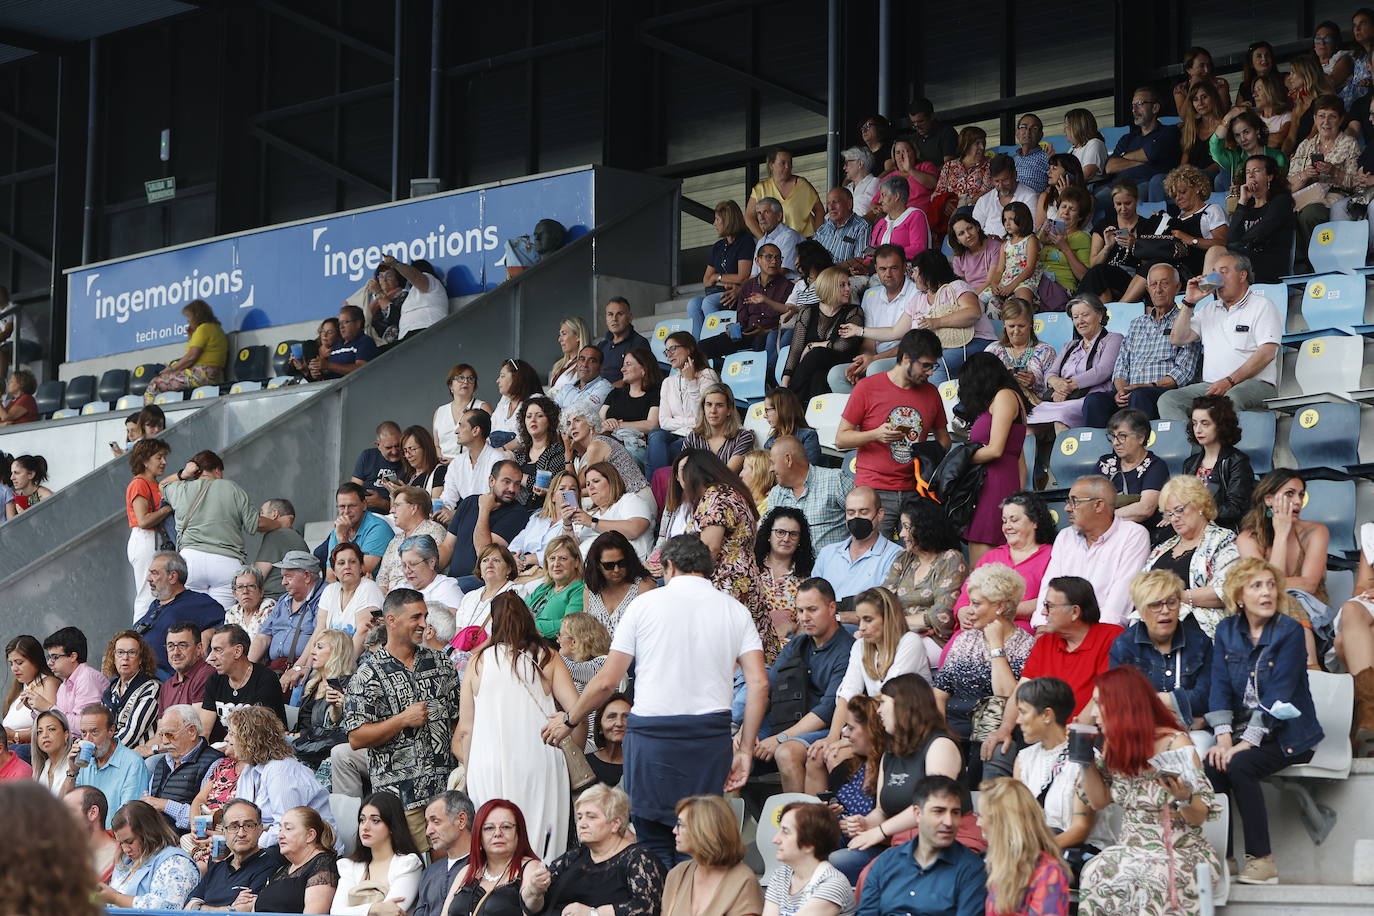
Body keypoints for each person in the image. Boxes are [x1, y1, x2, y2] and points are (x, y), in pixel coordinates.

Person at [540, 534, 769, 868]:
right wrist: (746, 749)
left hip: (652, 737)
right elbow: (759, 683)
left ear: (669, 566)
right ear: (709, 568)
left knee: (652, 843)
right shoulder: (734, 610)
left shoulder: (644, 605)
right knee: (696, 843)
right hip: (708, 736)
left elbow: (606, 681)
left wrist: (570, 719)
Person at [1078, 666, 1221, 911]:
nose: (1093, 713)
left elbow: (1199, 817)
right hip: (1130, 848)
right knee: (1095, 871)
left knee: (1149, 877)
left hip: (1179, 850)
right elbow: (1098, 802)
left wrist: (1184, 797)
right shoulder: (1115, 743)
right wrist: (1084, 761)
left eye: (1099, 704)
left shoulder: (1175, 743)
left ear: (1122, 705)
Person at [344, 589, 458, 852]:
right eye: (415, 617)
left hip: (446, 792)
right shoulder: (367, 674)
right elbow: (356, 738)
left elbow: (458, 720)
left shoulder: (441, 663)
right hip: (402, 798)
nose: (423, 623)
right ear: (391, 620)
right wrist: (402, 720)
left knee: (449, 871)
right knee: (414, 874)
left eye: (425, 616)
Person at [810, 587, 932, 797]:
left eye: (868, 619)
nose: (862, 627)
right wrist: (833, 735)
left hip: (905, 730)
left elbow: (888, 696)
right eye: (859, 620)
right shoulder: (860, 646)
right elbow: (847, 693)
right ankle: (814, 823)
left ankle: (852, 816)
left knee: (836, 756)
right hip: (874, 727)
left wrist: (851, 737)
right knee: (818, 755)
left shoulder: (909, 642)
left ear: (889, 618)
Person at [835, 329, 950, 532]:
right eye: (925, 365)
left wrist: (927, 454)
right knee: (873, 556)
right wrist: (876, 434)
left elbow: (944, 440)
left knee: (916, 556)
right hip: (874, 489)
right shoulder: (867, 387)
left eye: (934, 366)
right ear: (906, 358)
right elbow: (841, 439)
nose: (931, 372)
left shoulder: (932, 392)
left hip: (915, 490)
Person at [750, 578, 854, 793]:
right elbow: (768, 687)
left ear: (831, 607)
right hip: (787, 719)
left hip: (824, 728)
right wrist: (745, 730)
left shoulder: (846, 650)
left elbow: (827, 711)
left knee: (785, 752)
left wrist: (780, 738)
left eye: (812, 610)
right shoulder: (799, 643)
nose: (804, 618)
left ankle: (797, 822)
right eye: (800, 611)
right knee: (731, 746)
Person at [934, 564, 1034, 782]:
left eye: (976, 604)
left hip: (995, 727)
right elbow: (939, 692)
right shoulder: (964, 639)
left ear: (999, 606)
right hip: (954, 723)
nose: (969, 610)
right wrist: (939, 733)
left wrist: (996, 647)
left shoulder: (1025, 645)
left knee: (991, 717)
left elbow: (1007, 696)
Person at [841, 249, 997, 387]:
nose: (912, 275)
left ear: (928, 272)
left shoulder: (956, 286)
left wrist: (936, 322)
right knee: (916, 366)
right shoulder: (919, 299)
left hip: (975, 341)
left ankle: (943, 411)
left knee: (935, 366)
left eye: (915, 271)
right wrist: (860, 331)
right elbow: (895, 332)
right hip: (945, 348)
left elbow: (973, 312)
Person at [1159, 251, 1282, 422]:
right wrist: (1189, 302)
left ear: (1242, 275)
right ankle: (1194, 448)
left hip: (1255, 384)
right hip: (1211, 385)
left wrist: (1229, 381)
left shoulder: (1262, 305)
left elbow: (1267, 353)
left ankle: (1227, 448)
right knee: (1169, 400)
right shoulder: (1209, 309)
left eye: (1223, 272)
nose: (1217, 278)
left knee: (1231, 399)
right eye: (1214, 273)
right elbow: (1177, 339)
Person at [1011, 677, 1114, 868]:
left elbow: (1080, 829)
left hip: (1077, 850)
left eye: (1023, 712)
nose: (1017, 721)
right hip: (1036, 850)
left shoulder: (1084, 758)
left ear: (1047, 715)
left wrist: (1033, 851)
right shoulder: (1023, 759)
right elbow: (1020, 818)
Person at [520, 784, 667, 916]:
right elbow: (533, 909)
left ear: (615, 824)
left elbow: (647, 909)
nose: (582, 824)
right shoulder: (572, 858)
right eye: (579, 817)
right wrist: (534, 890)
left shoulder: (638, 858)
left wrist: (593, 913)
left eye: (591, 817)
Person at [1082, 265, 1199, 428]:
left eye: (1165, 283)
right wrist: (1122, 391)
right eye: (1153, 284)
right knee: (1094, 401)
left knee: (1140, 395)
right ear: (1147, 289)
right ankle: (1100, 452)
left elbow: (1184, 371)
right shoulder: (1137, 323)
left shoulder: (1187, 321)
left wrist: (1146, 387)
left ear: (1177, 287)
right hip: (1131, 392)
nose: (1158, 290)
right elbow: (1122, 364)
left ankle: (1142, 451)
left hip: (1161, 391)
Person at [854, 775, 986, 916]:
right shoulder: (886, 862)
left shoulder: (971, 869)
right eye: (938, 811)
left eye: (955, 813)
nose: (949, 821)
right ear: (917, 814)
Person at [1112, 570, 1215, 745]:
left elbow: (1205, 698)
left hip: (1192, 732)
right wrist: (1175, 706)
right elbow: (1120, 701)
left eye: (1172, 602)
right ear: (1141, 610)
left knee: (1194, 751)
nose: (1165, 611)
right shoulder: (1124, 645)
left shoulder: (1199, 641)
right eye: (1155, 605)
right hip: (1141, 729)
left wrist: (1147, 699)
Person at [1036, 477, 1151, 628]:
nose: (1067, 508)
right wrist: (1041, 625)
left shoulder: (1132, 535)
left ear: (1098, 505)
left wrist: (1091, 639)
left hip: (1103, 634)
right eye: (1068, 502)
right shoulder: (1065, 536)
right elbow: (1049, 587)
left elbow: (1119, 603)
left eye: (1074, 501)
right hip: (1060, 629)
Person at [159, 450, 269, 608]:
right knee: (219, 622)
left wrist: (183, 474)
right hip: (226, 562)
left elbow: (162, 485)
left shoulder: (180, 489)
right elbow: (255, 524)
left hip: (190, 562)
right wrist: (278, 524)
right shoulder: (231, 488)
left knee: (191, 621)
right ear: (218, 470)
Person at [1236, 470, 1331, 652]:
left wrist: (1269, 585)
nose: (1298, 501)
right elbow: (1267, 589)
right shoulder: (1247, 538)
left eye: (1301, 494)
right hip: (1264, 614)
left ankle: (1311, 667)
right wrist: (1281, 534)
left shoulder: (1316, 532)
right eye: (1290, 494)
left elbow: (1309, 585)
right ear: (1269, 499)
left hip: (1313, 618)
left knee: (1285, 602)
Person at [1143, 475, 1240, 639]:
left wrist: (1173, 598)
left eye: (1179, 510)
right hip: (1152, 624)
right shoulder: (1163, 547)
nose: (1174, 518)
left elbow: (1226, 590)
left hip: (1198, 628)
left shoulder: (1223, 540)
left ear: (1200, 505)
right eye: (1169, 514)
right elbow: (1141, 586)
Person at [957, 353, 1031, 560]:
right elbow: (1020, 460)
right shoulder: (1006, 397)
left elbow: (996, 449)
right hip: (1002, 484)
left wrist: (956, 460)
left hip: (994, 485)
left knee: (982, 563)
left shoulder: (1004, 396)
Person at [952, 492, 1059, 629]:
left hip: (1020, 628)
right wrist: (962, 612)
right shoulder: (991, 556)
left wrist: (995, 612)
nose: (1007, 526)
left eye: (1014, 520)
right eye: (1004, 521)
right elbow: (966, 596)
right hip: (977, 626)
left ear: (1035, 522)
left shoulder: (1052, 555)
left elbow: (1052, 600)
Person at [1026, 294, 1123, 432]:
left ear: (1100, 315)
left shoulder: (1113, 339)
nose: (1080, 321)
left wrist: (1069, 386)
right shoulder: (1070, 345)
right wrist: (1057, 384)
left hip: (1090, 397)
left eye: (1085, 315)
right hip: (1062, 397)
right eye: (1075, 317)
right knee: (1028, 421)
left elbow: (1103, 370)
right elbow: (1050, 373)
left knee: (1061, 417)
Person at [884, 498, 968, 657]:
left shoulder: (950, 559)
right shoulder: (903, 558)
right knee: (862, 646)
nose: (901, 534)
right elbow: (883, 601)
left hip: (935, 639)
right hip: (898, 634)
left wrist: (894, 625)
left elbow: (942, 615)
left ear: (925, 528)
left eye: (907, 527)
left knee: (901, 652)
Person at [660, 794, 765, 916]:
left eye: (681, 825)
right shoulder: (677, 874)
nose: (674, 831)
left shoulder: (743, 881)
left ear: (703, 831)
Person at [978, 779, 1071, 916]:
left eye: (981, 816)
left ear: (1001, 824)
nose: (978, 822)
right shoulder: (1000, 865)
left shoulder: (1049, 873)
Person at [1290, 93, 1363, 261]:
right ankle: (1297, 264)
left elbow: (1357, 184)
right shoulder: (1305, 145)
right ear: (1315, 118)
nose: (1326, 122)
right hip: (1304, 195)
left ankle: (1318, 260)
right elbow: (1288, 183)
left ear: (1341, 119)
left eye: (1332, 117)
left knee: (1310, 213)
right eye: (1321, 116)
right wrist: (1304, 175)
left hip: (1335, 196)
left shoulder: (1349, 144)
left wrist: (1334, 172)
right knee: (1283, 212)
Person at [441, 799, 542, 916]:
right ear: (479, 835)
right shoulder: (467, 871)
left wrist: (534, 891)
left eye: (506, 827)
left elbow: (532, 905)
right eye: (489, 828)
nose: (498, 833)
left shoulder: (530, 867)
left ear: (519, 832)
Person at [780, 265, 865, 401]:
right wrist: (785, 381)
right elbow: (795, 350)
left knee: (817, 353)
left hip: (841, 362)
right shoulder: (807, 312)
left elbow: (842, 345)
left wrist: (812, 345)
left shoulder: (854, 311)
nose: (848, 289)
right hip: (818, 369)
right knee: (818, 378)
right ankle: (803, 413)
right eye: (842, 285)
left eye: (848, 284)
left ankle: (788, 402)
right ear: (828, 287)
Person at [443, 460, 533, 588]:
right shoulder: (469, 502)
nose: (512, 489)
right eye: (506, 482)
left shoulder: (517, 513)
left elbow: (484, 552)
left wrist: (484, 510)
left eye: (517, 484)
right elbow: (447, 546)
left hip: (482, 582)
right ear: (492, 480)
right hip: (454, 580)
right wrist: (430, 569)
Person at [332, 791, 425, 915]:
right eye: (362, 820)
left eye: (375, 820)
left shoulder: (407, 864)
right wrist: (374, 909)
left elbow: (392, 912)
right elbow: (336, 912)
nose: (365, 827)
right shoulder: (350, 866)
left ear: (392, 826)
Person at [96, 800, 200, 909]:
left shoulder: (177, 862)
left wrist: (116, 898)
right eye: (121, 843)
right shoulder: (125, 861)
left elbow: (164, 907)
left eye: (130, 841)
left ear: (149, 833)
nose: (125, 849)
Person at [1078, 178, 1168, 302]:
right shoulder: (1104, 225)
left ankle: (1090, 309)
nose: (1123, 208)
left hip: (1132, 281)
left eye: (1127, 203)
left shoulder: (1147, 226)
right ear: (1113, 204)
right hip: (1103, 275)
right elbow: (1093, 264)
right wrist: (1107, 247)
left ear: (1136, 200)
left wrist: (1135, 246)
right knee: (1096, 273)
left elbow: (1150, 266)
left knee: (1096, 275)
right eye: (1118, 204)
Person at [136, 552, 224, 679]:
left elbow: (226, 622)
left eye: (154, 573)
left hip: (166, 677)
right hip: (139, 671)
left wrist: (210, 632)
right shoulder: (155, 605)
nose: (149, 578)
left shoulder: (196, 601)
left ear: (172, 577)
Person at [184, 798, 283, 909]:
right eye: (234, 826)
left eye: (248, 825)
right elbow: (189, 909)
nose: (241, 833)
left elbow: (244, 911)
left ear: (260, 829)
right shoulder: (217, 867)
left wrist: (201, 908)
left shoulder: (268, 866)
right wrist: (227, 909)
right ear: (224, 833)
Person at [812, 487, 904, 604]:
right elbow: (813, 599)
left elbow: (884, 607)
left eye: (864, 512)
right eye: (851, 513)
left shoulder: (896, 555)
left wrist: (836, 615)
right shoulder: (827, 553)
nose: (856, 517)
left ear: (880, 514)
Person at [64, 704, 152, 826]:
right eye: (84, 733)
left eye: (94, 732)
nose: (88, 739)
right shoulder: (84, 762)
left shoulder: (132, 763)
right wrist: (72, 771)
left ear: (111, 730)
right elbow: (64, 810)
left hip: (115, 839)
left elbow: (129, 818)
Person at [243, 805, 340, 914]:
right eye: (280, 829)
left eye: (288, 829)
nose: (280, 836)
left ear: (310, 835)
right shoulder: (281, 870)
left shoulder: (323, 864)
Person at [764, 802, 855, 916]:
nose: (775, 839)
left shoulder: (832, 883)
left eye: (785, 832)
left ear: (809, 844)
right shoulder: (781, 875)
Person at [649, 331, 721, 474]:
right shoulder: (668, 382)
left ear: (689, 349)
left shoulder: (707, 375)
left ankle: (660, 488)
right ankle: (657, 487)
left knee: (667, 451)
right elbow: (663, 422)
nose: (669, 354)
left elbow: (706, 417)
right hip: (674, 432)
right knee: (656, 435)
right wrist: (688, 421)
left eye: (673, 348)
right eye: (666, 351)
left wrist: (691, 382)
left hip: (698, 434)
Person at [200, 624, 287, 740]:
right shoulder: (214, 680)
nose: (210, 658)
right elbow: (204, 731)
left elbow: (258, 733)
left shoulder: (265, 679)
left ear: (237, 651)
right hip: (222, 751)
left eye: (218, 650)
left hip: (259, 751)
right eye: (212, 650)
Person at [143, 704, 224, 828]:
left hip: (185, 842)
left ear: (191, 731)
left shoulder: (215, 763)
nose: (164, 741)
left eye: (169, 734)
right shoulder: (162, 763)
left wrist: (166, 805)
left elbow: (206, 819)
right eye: (161, 735)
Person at [252, 551, 327, 682]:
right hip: (275, 669)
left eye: (288, 577)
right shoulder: (283, 600)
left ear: (307, 576)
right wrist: (247, 668)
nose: (283, 583)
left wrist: (298, 668)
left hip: (305, 670)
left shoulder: (324, 598)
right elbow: (262, 637)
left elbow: (318, 636)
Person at [1100, 86, 1182, 207]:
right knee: (1089, 202)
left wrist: (1123, 158)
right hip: (1117, 187)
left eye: (1139, 104)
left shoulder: (1169, 132)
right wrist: (1145, 161)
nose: (1134, 109)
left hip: (1146, 184)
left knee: (1130, 201)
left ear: (1155, 108)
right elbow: (1110, 167)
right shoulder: (1127, 139)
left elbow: (1151, 153)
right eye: (1133, 105)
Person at [1094, 408, 1169, 533]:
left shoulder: (1155, 465)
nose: (1115, 443)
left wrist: (1103, 518)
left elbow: (1145, 509)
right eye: (1112, 436)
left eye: (1122, 436)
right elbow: (1089, 501)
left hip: (1141, 533)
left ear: (1140, 438)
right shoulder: (1105, 463)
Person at [689, 201, 756, 338]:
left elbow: (742, 277)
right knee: (693, 303)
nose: (714, 223)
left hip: (736, 294)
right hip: (717, 291)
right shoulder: (718, 246)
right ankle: (697, 345)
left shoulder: (745, 242)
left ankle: (715, 340)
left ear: (728, 221)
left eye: (717, 219)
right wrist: (718, 279)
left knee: (708, 302)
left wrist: (717, 277)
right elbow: (707, 280)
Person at [291, 630, 354, 777]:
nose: (312, 652)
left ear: (337, 653)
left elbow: (333, 727)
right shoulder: (313, 682)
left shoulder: (346, 685)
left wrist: (297, 736)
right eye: (314, 647)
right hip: (302, 744)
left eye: (319, 647)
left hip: (318, 751)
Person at [767, 434, 847, 548]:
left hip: (832, 565)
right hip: (791, 565)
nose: (771, 469)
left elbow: (864, 519)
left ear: (788, 460)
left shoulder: (835, 480)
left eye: (772, 462)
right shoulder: (776, 494)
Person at [124, 438, 173, 621]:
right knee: (147, 592)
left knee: (157, 590)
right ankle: (139, 637)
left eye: (164, 457)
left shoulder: (153, 483)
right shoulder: (139, 483)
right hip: (146, 538)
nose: (163, 462)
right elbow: (143, 520)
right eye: (159, 457)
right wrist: (167, 509)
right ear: (145, 460)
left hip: (154, 540)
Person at [142, 298, 228, 402]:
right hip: (215, 376)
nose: (188, 320)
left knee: (155, 383)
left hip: (200, 376)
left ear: (196, 315)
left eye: (188, 316)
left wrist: (171, 370)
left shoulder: (204, 328)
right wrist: (192, 337)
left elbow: (191, 357)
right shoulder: (217, 329)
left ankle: (148, 414)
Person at [562, 400, 650, 499]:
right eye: (569, 423)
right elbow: (576, 485)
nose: (572, 427)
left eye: (577, 421)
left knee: (568, 501)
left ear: (591, 422)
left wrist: (563, 495)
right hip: (623, 498)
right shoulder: (595, 445)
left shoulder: (596, 445)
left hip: (637, 498)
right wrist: (568, 454)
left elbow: (587, 487)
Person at [1228, 155, 1296, 281]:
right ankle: (1204, 293)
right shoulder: (1246, 207)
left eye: (1256, 171)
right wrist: (1242, 201)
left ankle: (1205, 290)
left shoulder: (1281, 201)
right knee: (1216, 253)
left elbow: (1263, 229)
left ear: (1269, 176)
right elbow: (1231, 237)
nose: (1251, 176)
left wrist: (1234, 247)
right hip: (1243, 260)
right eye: (1248, 172)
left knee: (1223, 258)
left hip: (1269, 263)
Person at [310, 543, 384, 657]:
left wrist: (341, 669)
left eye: (353, 562)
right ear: (333, 571)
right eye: (341, 563)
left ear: (361, 567)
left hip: (357, 661)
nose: (347, 566)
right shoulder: (329, 591)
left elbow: (363, 633)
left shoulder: (369, 589)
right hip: (330, 660)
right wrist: (301, 667)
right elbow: (318, 633)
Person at [582, 530, 658, 637]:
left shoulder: (644, 587)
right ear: (597, 565)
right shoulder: (590, 587)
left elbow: (652, 631)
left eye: (622, 563)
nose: (616, 569)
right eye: (609, 565)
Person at [754, 507, 815, 640]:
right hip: (751, 646)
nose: (786, 539)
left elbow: (811, 620)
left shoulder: (808, 577)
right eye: (780, 532)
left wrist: (793, 628)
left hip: (791, 650)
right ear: (768, 535)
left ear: (800, 540)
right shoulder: (751, 569)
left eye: (793, 534)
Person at [410, 790, 474, 916]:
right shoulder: (429, 873)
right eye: (428, 823)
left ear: (461, 820)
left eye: (436, 821)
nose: (428, 831)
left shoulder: (485, 867)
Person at [376, 486, 450, 593]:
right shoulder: (396, 539)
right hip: (390, 598)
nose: (392, 510)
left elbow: (427, 573)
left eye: (397, 506)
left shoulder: (434, 531)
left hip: (417, 595)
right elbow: (382, 576)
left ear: (413, 508)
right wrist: (382, 594)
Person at [507, 476, 580, 579]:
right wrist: (514, 557)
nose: (566, 493)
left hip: (546, 575)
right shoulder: (537, 517)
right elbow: (520, 540)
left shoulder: (579, 523)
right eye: (562, 489)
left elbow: (568, 551)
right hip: (518, 569)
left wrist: (530, 558)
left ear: (577, 495)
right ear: (553, 496)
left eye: (572, 489)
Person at [985, 298, 1055, 405]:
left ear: (1030, 324)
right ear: (1004, 324)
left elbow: (1054, 389)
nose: (1016, 331)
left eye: (1021, 326)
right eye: (1011, 326)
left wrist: (1034, 382)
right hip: (996, 406)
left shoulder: (1045, 351)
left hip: (1033, 408)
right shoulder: (993, 350)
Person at [98, 631, 159, 751]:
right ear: (113, 657)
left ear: (140, 659)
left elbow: (132, 733)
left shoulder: (150, 688)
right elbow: (101, 727)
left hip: (136, 758)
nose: (125, 658)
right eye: (120, 652)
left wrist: (103, 751)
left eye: (132, 652)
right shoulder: (110, 691)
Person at [600, 347, 661, 466]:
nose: (623, 369)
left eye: (628, 364)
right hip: (608, 441)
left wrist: (619, 425)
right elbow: (600, 420)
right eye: (623, 365)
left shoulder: (655, 394)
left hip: (635, 446)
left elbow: (652, 424)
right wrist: (607, 422)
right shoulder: (615, 393)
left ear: (644, 369)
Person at [748, 146, 825, 238]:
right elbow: (749, 217)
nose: (787, 167)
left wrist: (818, 237)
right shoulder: (761, 189)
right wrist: (763, 239)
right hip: (775, 244)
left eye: (790, 163)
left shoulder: (802, 185)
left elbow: (819, 210)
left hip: (803, 242)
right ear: (771, 165)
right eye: (783, 163)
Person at [682, 383, 757, 476]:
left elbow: (726, 475)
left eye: (719, 405)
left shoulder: (743, 437)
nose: (713, 411)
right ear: (703, 408)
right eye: (709, 405)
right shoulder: (693, 437)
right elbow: (683, 470)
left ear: (729, 410)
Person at [438, 409, 504, 514]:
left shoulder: (498, 459)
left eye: (462, 426)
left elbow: (496, 501)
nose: (456, 431)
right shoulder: (457, 463)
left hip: (492, 518)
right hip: (464, 519)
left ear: (475, 431)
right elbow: (447, 499)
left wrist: (457, 515)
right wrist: (443, 511)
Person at [980, 202, 1042, 311]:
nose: (1007, 224)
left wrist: (1012, 286)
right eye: (1005, 220)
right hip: (1006, 280)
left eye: (1011, 219)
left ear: (1023, 219)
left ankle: (1027, 324)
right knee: (982, 300)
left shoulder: (1030, 240)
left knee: (1023, 303)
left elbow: (1029, 268)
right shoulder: (1005, 244)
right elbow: (999, 270)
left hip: (1024, 280)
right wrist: (994, 284)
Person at [41, 627, 110, 725]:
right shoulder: (64, 685)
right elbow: (59, 724)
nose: (49, 663)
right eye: (49, 657)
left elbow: (84, 725)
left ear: (73, 656)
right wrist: (36, 708)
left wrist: (49, 708)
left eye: (54, 657)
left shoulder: (87, 678)